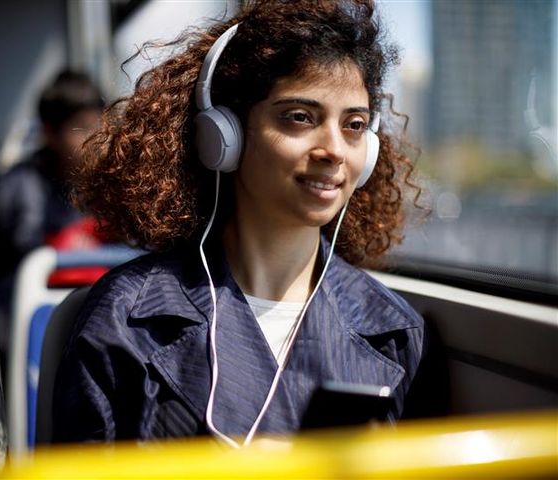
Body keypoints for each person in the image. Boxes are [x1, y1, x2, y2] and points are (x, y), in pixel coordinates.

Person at [53, 0, 427, 445]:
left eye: (354, 125)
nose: (334, 149)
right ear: (223, 135)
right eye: (300, 117)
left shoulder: (394, 330)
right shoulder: (125, 317)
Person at [0, 70, 106, 347]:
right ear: (50, 133)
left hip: (95, 311)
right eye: (83, 128)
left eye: (102, 125)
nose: (97, 138)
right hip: (23, 321)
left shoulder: (112, 184)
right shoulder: (19, 186)